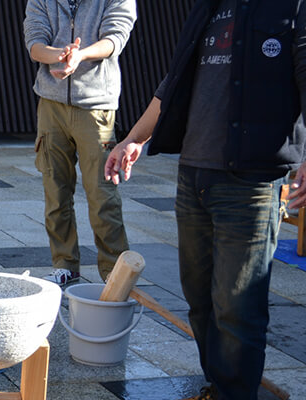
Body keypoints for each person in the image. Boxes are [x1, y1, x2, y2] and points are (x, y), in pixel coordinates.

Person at [105, 1, 306, 398]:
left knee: (238, 306)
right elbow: (173, 84)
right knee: (199, 297)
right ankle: (219, 385)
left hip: (250, 181)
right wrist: (133, 139)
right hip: (193, 174)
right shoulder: (209, 7)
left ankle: (235, 392)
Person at [23, 0, 136, 285]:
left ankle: (115, 277)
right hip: (50, 104)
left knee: (102, 196)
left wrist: (79, 55)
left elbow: (115, 38)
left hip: (96, 106)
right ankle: (65, 265)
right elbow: (35, 42)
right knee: (55, 191)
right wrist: (60, 55)